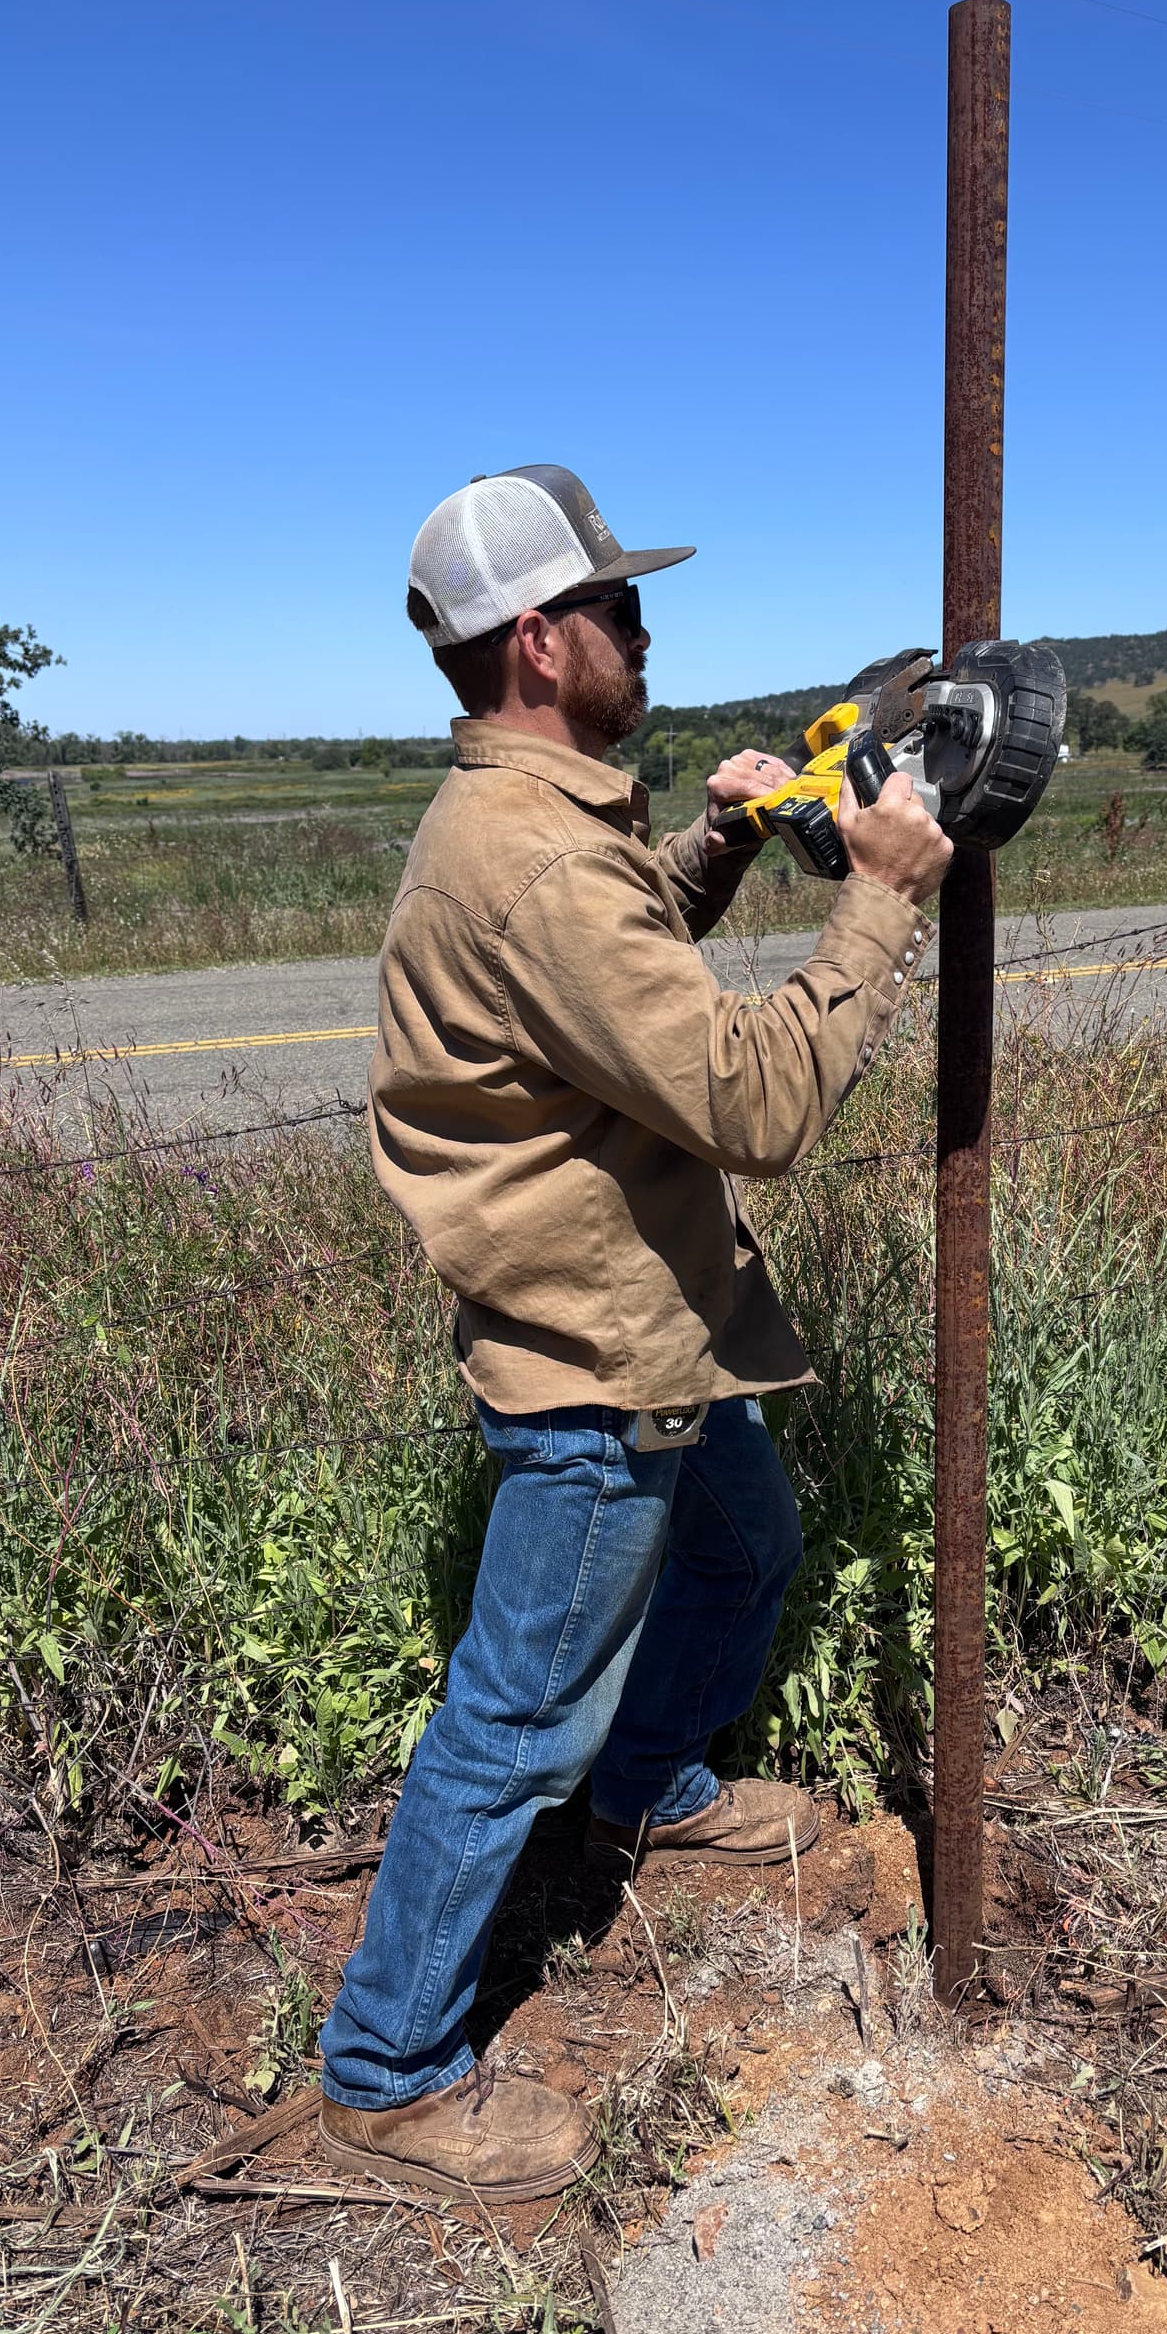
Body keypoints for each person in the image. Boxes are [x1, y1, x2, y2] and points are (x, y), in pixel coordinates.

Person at [316, 465, 953, 2202]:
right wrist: (878, 892)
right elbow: (748, 1095)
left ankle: (654, 1782)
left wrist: (726, 842)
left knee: (747, 1551)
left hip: (660, 1330)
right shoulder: (529, 865)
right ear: (538, 642)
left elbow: (606, 970)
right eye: (615, 608)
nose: (644, 629)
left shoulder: (539, 825)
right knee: (514, 1719)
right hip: (600, 1365)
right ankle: (385, 2068)